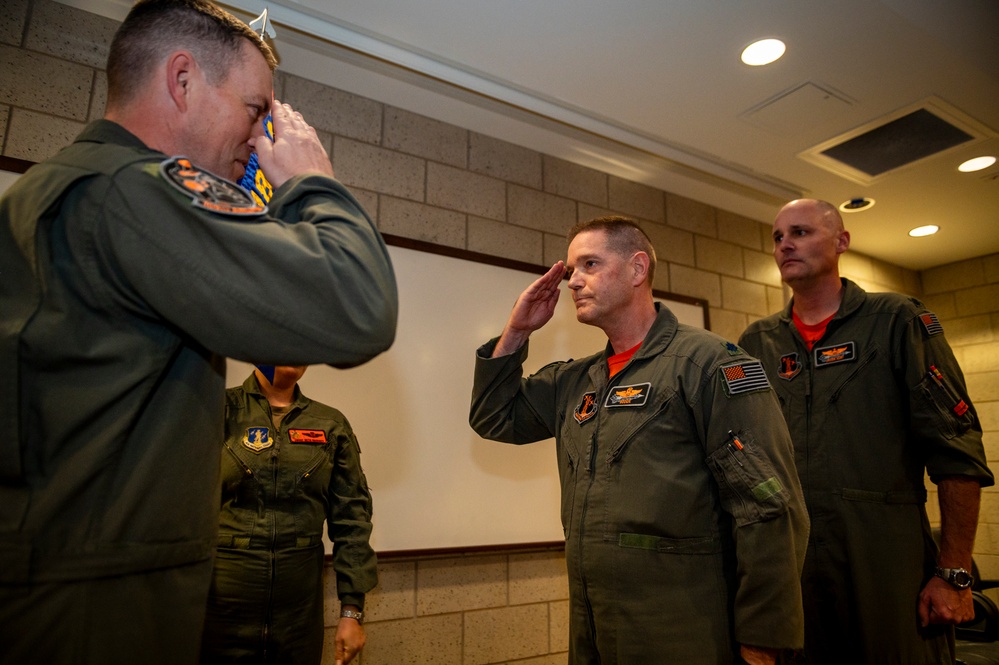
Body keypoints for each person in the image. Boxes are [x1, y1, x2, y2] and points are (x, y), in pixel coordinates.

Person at [0, 0, 397, 663]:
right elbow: (356, 304)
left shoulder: (59, 190)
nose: (258, 136)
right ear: (182, 80)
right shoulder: (133, 193)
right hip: (97, 611)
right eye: (254, 109)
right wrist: (313, 183)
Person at [470, 216, 809, 664]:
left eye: (590, 264)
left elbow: (767, 507)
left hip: (682, 631)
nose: (575, 282)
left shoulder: (709, 365)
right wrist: (517, 331)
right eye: (572, 271)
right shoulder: (576, 380)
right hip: (595, 627)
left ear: (637, 269)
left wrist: (763, 640)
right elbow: (494, 417)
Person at [739, 198, 994, 664]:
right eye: (778, 237)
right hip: (792, 574)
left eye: (800, 232)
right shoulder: (757, 343)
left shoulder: (898, 320)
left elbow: (956, 450)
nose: (785, 245)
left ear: (841, 242)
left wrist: (955, 573)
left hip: (886, 568)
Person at [201, 366, 375, 665]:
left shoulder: (330, 424)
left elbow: (352, 521)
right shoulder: (216, 410)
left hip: (298, 624)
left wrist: (351, 611)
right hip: (220, 617)